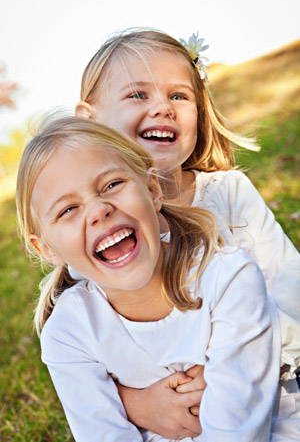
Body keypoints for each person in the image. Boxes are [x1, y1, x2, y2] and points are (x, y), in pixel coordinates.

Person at [74, 28, 300, 437]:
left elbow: (289, 284)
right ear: (90, 121)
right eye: (138, 95)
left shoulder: (229, 194)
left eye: (179, 96)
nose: (163, 108)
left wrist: (231, 362)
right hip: (179, 418)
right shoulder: (99, 234)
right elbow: (88, 353)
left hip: (272, 387)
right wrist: (133, 402)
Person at [16, 116, 281, 441]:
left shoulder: (229, 280)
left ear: (153, 189)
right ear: (46, 249)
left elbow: (238, 433)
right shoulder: (67, 334)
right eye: (68, 210)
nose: (99, 210)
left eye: (112, 185)